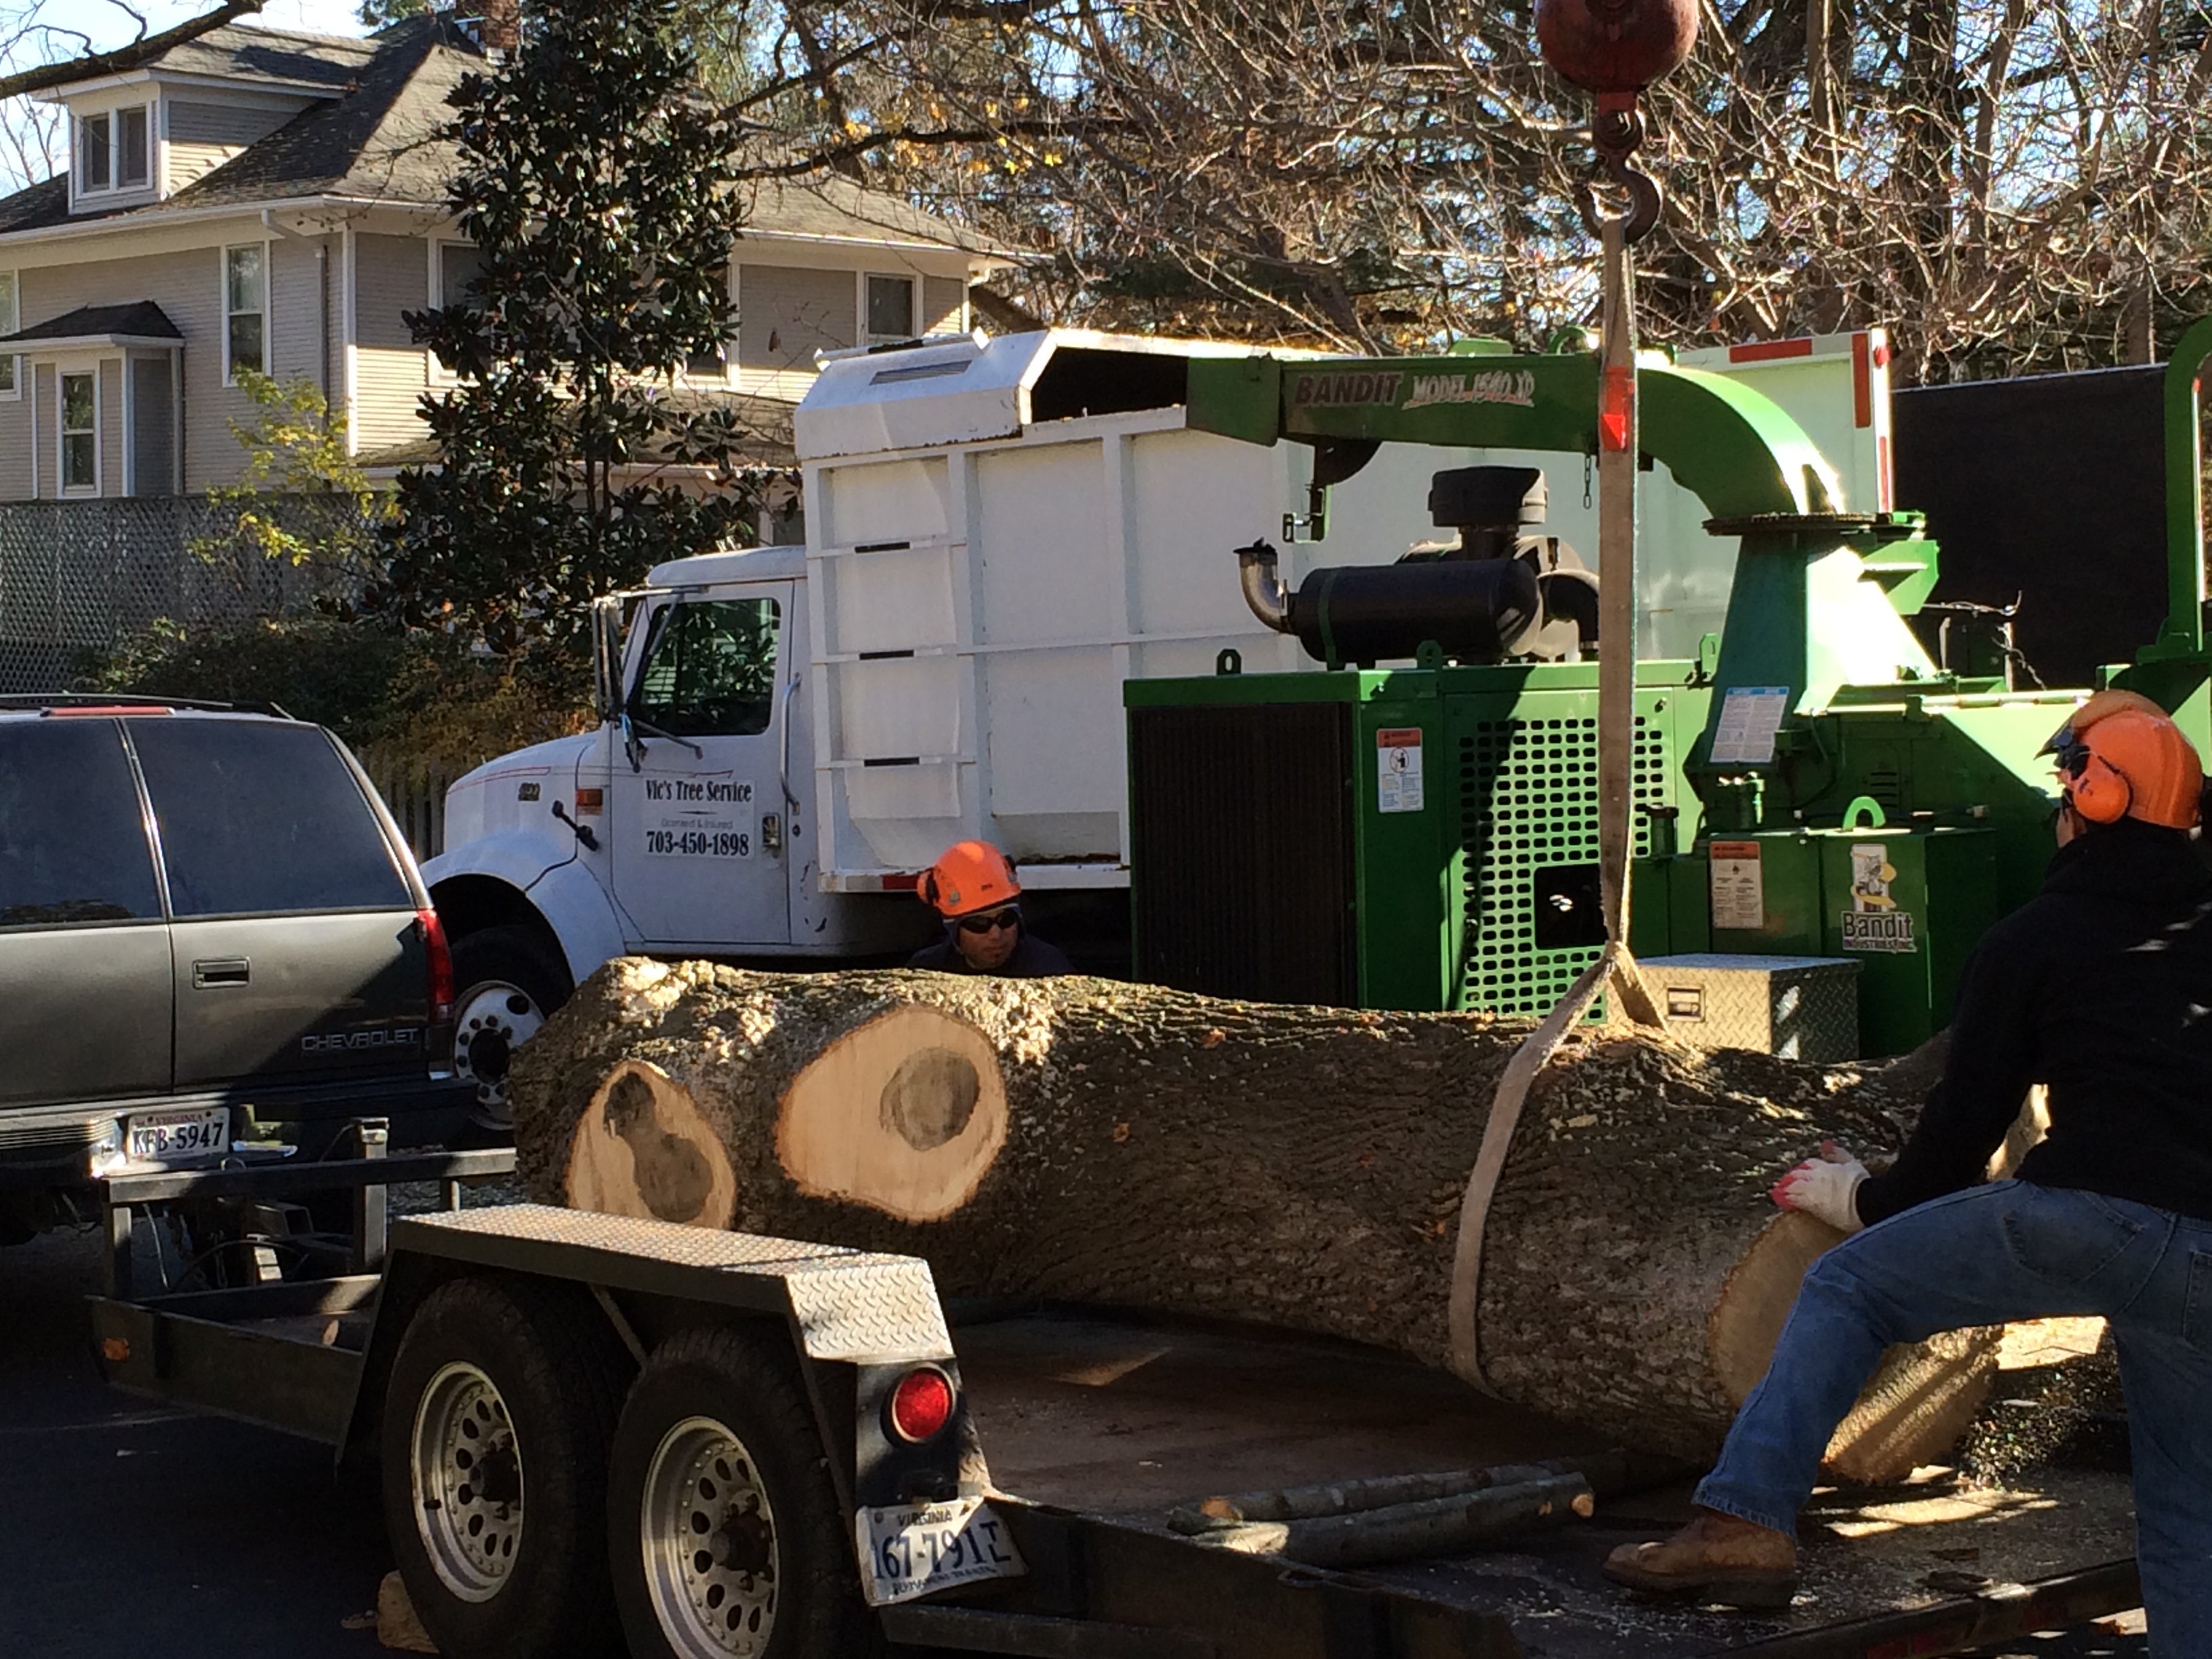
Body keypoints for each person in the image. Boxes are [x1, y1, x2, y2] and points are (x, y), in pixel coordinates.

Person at [1603, 689, 2212, 1645]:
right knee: (2190, 1516)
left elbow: (1958, 1138)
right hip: (2203, 1258)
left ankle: (1744, 1522)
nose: (2058, 808)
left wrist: (1860, 1198)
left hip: (2094, 1217)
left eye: (2066, 786)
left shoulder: (2034, 939)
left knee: (1848, 1287)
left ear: (2097, 799)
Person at [907, 840, 1075, 977]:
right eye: (979, 924)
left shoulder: (1049, 969)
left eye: (1006, 919)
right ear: (953, 929)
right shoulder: (927, 972)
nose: (996, 935)